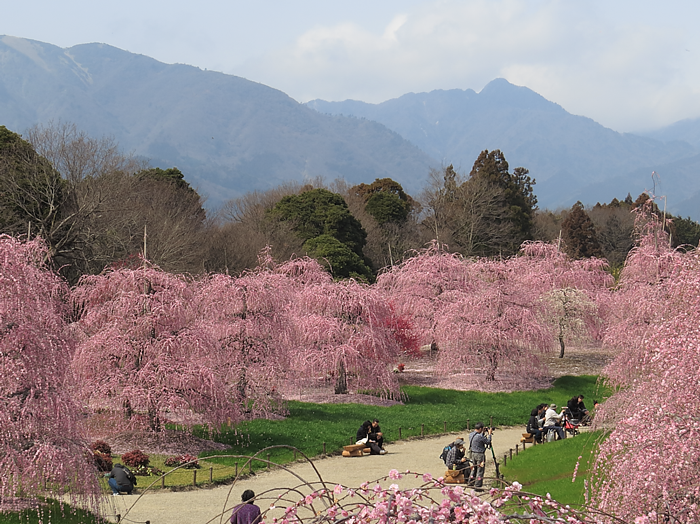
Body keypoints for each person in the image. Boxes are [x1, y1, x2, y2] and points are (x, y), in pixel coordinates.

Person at [467, 423, 492, 488]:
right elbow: (488, 442)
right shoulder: (480, 436)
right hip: (479, 454)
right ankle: (478, 485)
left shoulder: (471, 434)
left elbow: (480, 440)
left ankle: (470, 482)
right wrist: (489, 434)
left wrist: (483, 433)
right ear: (480, 428)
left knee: (474, 468)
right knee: (480, 470)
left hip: (473, 453)